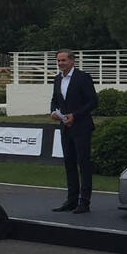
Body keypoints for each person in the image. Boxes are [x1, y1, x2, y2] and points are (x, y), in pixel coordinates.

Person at [49, 49, 99, 214]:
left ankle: (84, 202)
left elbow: (93, 102)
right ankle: (71, 200)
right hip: (65, 127)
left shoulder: (82, 78)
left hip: (81, 127)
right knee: (69, 164)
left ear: (72, 61)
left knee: (83, 164)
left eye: (63, 60)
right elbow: (55, 100)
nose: (60, 63)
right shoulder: (57, 79)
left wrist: (75, 116)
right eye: (58, 61)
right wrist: (53, 112)